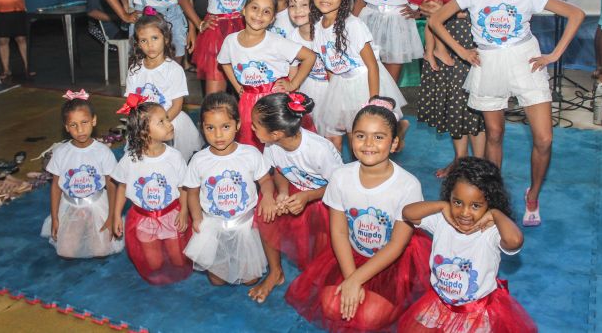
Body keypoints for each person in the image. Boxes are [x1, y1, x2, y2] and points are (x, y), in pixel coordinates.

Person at [430, 0, 584, 226]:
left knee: (544, 138)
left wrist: (554, 55)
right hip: (489, 63)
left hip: (525, 61)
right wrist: (462, 51)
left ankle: (533, 194)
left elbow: (575, 14)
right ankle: (493, 198)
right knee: (495, 134)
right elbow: (437, 20)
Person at [285, 98, 431, 332]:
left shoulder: (407, 185)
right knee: (331, 306)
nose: (368, 143)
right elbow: (340, 232)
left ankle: (389, 302)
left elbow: (396, 245)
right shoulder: (341, 177)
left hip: (391, 261)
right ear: (351, 139)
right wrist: (350, 276)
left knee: (369, 317)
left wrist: (354, 282)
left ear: (394, 143)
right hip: (353, 254)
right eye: (360, 135)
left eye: (379, 137)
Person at [398, 157, 537, 332]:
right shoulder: (443, 220)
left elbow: (515, 240)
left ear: (489, 203)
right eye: (457, 202)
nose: (464, 212)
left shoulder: (491, 231)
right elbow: (407, 213)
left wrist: (495, 214)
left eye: (476, 205)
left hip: (475, 312)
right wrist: (442, 206)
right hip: (439, 303)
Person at [417, 0, 496, 178]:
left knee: (475, 105)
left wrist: (451, 14)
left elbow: (496, 3)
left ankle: (478, 165)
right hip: (443, 36)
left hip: (475, 37)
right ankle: (460, 161)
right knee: (453, 102)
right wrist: (428, 11)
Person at [249, 92, 343, 304]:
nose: (252, 128)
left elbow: (341, 188)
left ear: (276, 133)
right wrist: (280, 194)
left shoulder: (319, 150)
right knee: (265, 214)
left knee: (321, 253)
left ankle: (320, 277)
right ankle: (275, 272)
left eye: (255, 125)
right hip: (295, 193)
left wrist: (308, 196)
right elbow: (281, 171)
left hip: (326, 201)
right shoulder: (272, 145)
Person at [309, 0, 407, 151]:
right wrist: (335, 96)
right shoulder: (318, 26)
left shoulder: (352, 25)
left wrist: (373, 102)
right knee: (342, 132)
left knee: (364, 132)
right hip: (341, 83)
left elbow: (372, 65)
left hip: (364, 82)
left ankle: (397, 131)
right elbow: (330, 66)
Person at [182, 92, 276, 286]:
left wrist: (267, 196)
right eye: (210, 128)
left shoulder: (250, 154)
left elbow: (266, 180)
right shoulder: (199, 160)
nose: (218, 135)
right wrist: (197, 217)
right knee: (218, 280)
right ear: (202, 128)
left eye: (225, 127)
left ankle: (243, 259)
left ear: (238, 125)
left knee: (251, 279)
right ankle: (222, 259)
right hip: (214, 226)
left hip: (244, 225)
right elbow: (191, 192)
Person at [217, 0, 315, 149]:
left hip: (275, 101)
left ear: (272, 19)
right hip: (248, 101)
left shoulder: (276, 42)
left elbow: (309, 56)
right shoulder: (230, 41)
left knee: (280, 145)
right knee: (252, 146)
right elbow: (224, 62)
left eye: (266, 11)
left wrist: (292, 84)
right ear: (244, 9)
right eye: (254, 8)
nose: (259, 15)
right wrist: (237, 86)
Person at [111, 93, 193, 285]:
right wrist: (115, 215)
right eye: (162, 122)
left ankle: (170, 249)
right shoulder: (130, 160)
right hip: (143, 219)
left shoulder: (174, 157)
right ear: (143, 132)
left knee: (178, 259)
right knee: (154, 264)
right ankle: (156, 250)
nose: (169, 123)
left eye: (167, 118)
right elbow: (121, 187)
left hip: (171, 215)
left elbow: (184, 188)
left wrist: (184, 212)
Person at [40, 91, 123, 259]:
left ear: (94, 120)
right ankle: (76, 226)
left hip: (97, 205)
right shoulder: (61, 152)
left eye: (84, 122)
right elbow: (56, 187)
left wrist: (111, 216)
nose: (80, 130)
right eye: (73, 125)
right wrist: (55, 217)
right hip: (71, 206)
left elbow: (112, 186)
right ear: (66, 127)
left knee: (101, 251)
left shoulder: (103, 152)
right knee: (66, 252)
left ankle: (95, 226)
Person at [125, 12, 203, 161]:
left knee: (172, 162)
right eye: (143, 40)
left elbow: (177, 105)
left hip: (170, 120)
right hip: (144, 126)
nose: (150, 45)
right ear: (137, 44)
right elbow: (131, 103)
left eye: (155, 38)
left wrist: (159, 126)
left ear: (166, 39)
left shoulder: (173, 69)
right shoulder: (135, 70)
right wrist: (143, 127)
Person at [287, 0, 329, 121]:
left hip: (331, 85)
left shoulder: (325, 31)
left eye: (304, 5)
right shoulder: (293, 38)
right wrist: (295, 99)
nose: (298, 10)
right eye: (292, 6)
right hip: (309, 84)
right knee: (312, 123)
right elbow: (293, 73)